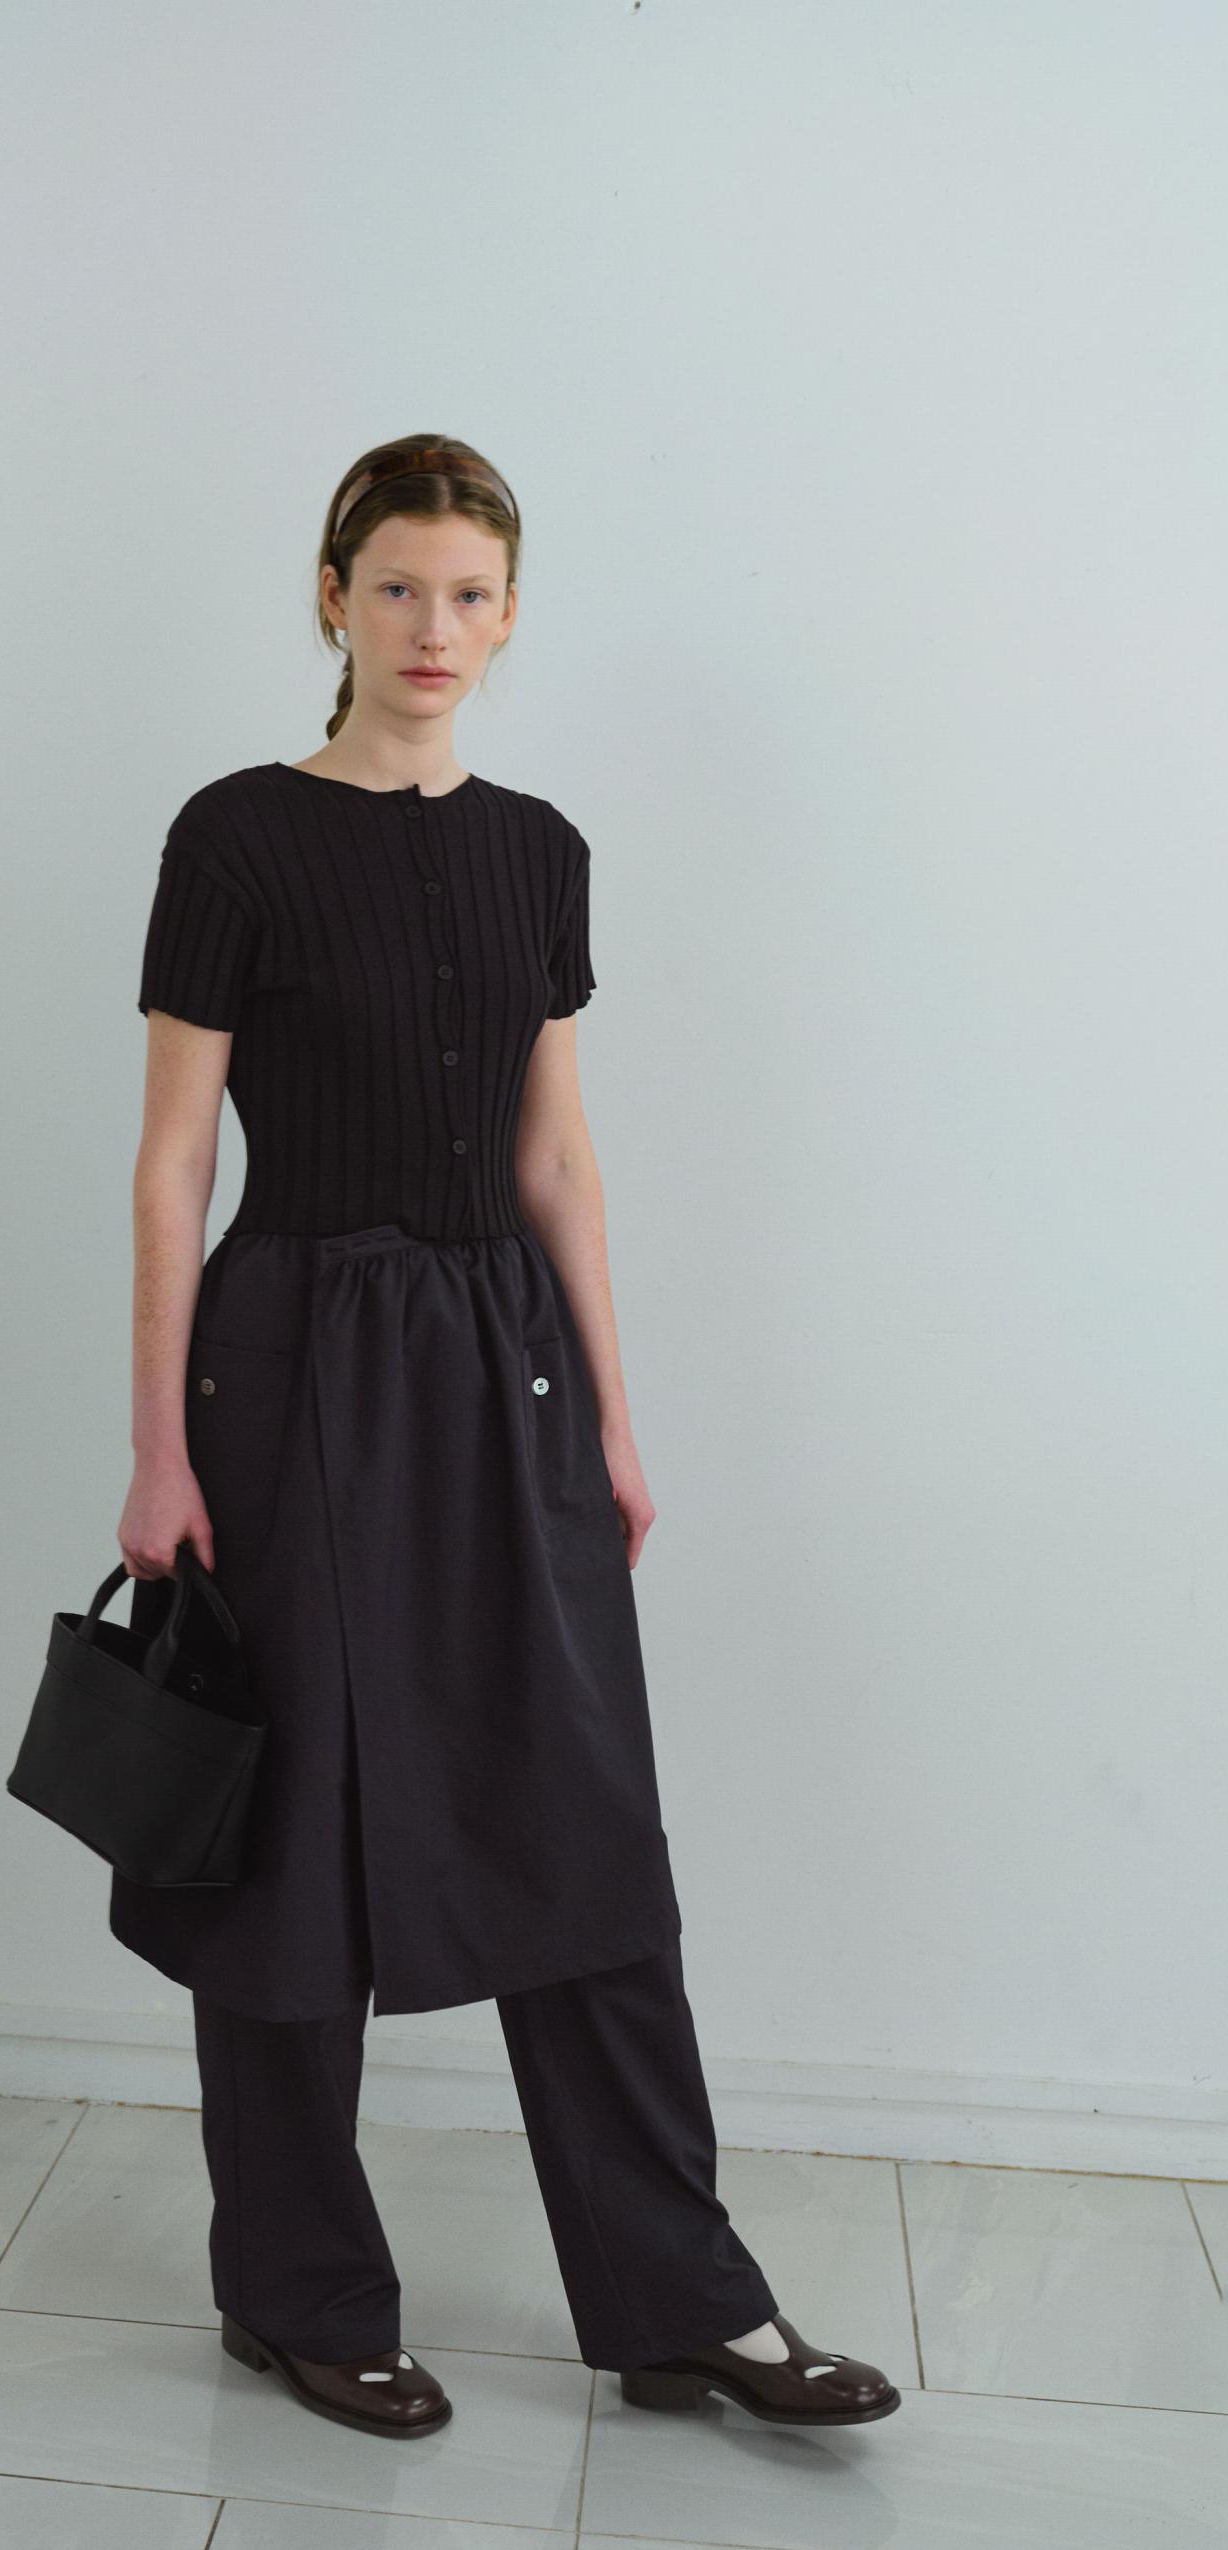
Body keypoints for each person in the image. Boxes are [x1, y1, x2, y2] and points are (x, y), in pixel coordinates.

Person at [112, 436, 898, 2437]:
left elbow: (556, 1153)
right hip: (292, 1355)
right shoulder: (236, 836)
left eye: (470, 594)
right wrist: (157, 1447)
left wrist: (616, 1416)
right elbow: (174, 1158)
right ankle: (298, 2290)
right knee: (291, 1838)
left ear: (512, 613)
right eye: (397, 587)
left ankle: (679, 2302)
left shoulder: (540, 849)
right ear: (332, 597)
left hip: (507, 1364)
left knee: (586, 1825)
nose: (433, 628)